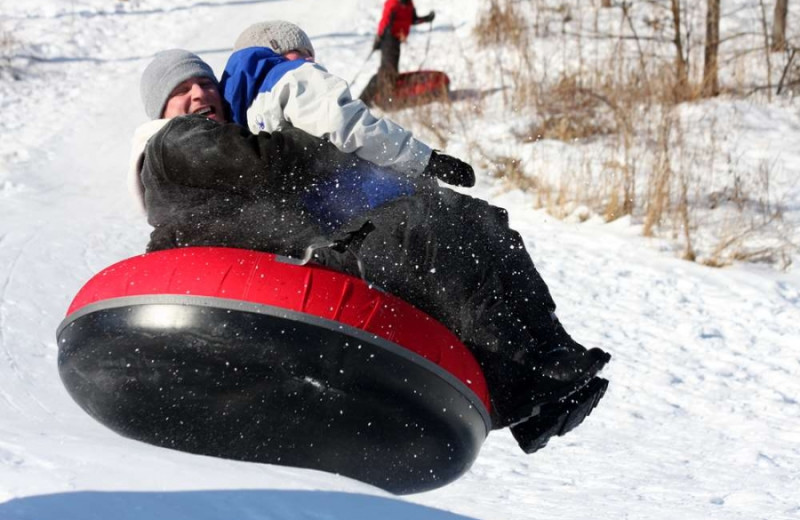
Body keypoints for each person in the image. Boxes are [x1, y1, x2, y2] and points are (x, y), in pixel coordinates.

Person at [132, 51, 611, 454]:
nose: (199, 95)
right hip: (270, 274)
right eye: (182, 90)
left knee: (470, 222)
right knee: (421, 229)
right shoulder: (172, 142)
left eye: (204, 84)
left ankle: (548, 371)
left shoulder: (199, 143)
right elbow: (267, 163)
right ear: (159, 108)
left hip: (291, 262)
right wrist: (340, 150)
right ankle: (524, 387)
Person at [219, 20, 472, 188]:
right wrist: (425, 160)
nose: (311, 61)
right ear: (275, 50)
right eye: (305, 53)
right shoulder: (293, 76)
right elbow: (347, 123)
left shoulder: (242, 109)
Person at [360, 0, 435, 106]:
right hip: (388, 39)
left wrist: (426, 18)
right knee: (388, 72)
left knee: (390, 72)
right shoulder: (393, 3)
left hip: (396, 40)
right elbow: (385, 21)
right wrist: (379, 38)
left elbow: (413, 20)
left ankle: (373, 99)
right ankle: (368, 100)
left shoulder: (409, 4)